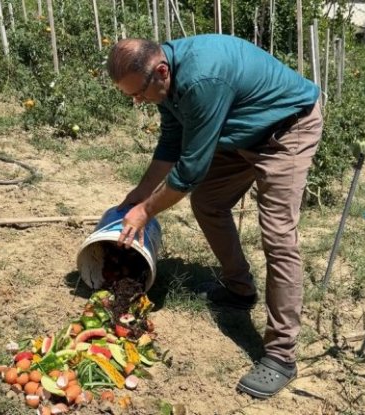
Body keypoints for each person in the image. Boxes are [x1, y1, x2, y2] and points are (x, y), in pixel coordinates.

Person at [106, 34, 323, 399]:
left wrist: (145, 211)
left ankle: (281, 356)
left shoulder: (201, 80)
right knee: (208, 202)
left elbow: (189, 171)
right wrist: (140, 194)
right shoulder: (166, 77)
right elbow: (172, 141)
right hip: (242, 132)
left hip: (286, 130)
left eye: (138, 93)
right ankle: (240, 289)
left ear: (160, 71)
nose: (138, 102)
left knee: (278, 236)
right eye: (130, 97)